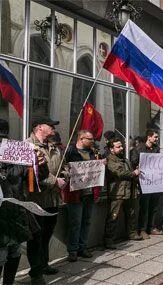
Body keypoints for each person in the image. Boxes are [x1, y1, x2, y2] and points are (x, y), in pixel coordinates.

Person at [0, 119, 48, 285]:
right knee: (4, 254)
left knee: (14, 252)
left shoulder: (17, 154)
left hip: (17, 213)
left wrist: (40, 164)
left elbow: (36, 180)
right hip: (6, 215)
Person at [26, 116, 67, 283]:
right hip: (36, 200)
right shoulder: (27, 146)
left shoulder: (54, 147)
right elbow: (33, 174)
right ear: (39, 127)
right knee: (35, 237)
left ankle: (44, 264)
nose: (53, 128)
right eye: (50, 125)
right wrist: (55, 181)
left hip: (53, 199)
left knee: (47, 235)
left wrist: (65, 177)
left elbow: (64, 167)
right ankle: (36, 273)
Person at [63, 130, 101, 262]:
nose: (92, 141)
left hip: (89, 193)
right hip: (75, 194)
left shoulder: (93, 153)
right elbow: (63, 170)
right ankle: (73, 250)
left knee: (86, 221)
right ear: (81, 139)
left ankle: (82, 247)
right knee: (75, 222)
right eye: (90, 139)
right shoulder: (70, 152)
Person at [104, 137, 143, 250]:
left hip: (129, 191)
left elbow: (129, 172)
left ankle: (131, 233)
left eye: (122, 146)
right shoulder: (110, 160)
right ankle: (109, 240)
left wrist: (135, 172)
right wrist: (134, 173)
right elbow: (120, 173)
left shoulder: (125, 159)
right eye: (118, 146)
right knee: (113, 216)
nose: (121, 148)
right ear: (111, 149)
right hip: (117, 192)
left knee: (131, 213)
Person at [130, 129, 163, 239]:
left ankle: (151, 227)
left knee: (154, 206)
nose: (157, 139)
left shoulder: (156, 149)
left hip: (154, 181)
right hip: (144, 181)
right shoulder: (138, 149)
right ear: (149, 137)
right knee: (145, 206)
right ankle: (142, 229)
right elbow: (133, 161)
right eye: (155, 137)